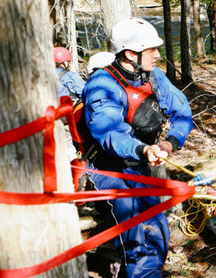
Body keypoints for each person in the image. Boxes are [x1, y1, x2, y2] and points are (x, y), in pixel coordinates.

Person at [81, 17, 193, 278]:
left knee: (158, 231)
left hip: (138, 166)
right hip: (108, 171)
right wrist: (143, 150)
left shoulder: (154, 76)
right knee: (138, 238)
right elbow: (109, 133)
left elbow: (183, 114)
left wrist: (169, 142)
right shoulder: (102, 84)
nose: (157, 55)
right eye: (151, 49)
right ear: (131, 54)